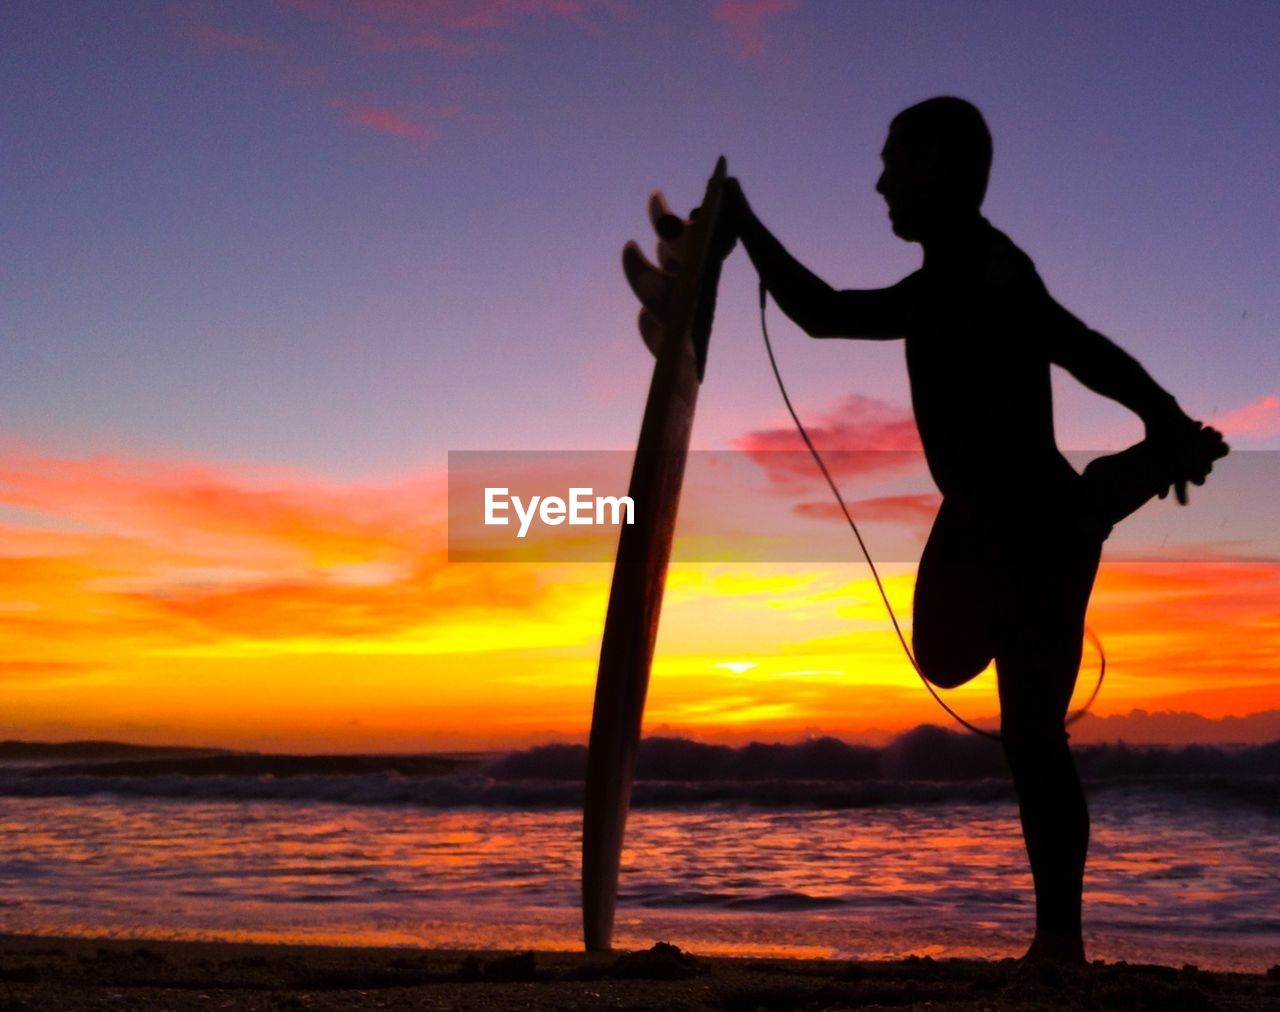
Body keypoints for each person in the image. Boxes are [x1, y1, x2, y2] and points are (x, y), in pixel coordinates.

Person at [720, 96, 1228, 964]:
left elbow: (1077, 346)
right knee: (1000, 708)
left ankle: (1059, 945)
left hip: (1024, 525)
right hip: (1011, 523)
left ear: (940, 169)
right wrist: (1168, 420)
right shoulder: (958, 272)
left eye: (894, 162)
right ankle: (1113, 489)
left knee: (1030, 734)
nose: (879, 182)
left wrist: (741, 224)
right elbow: (832, 312)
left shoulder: (985, 271)